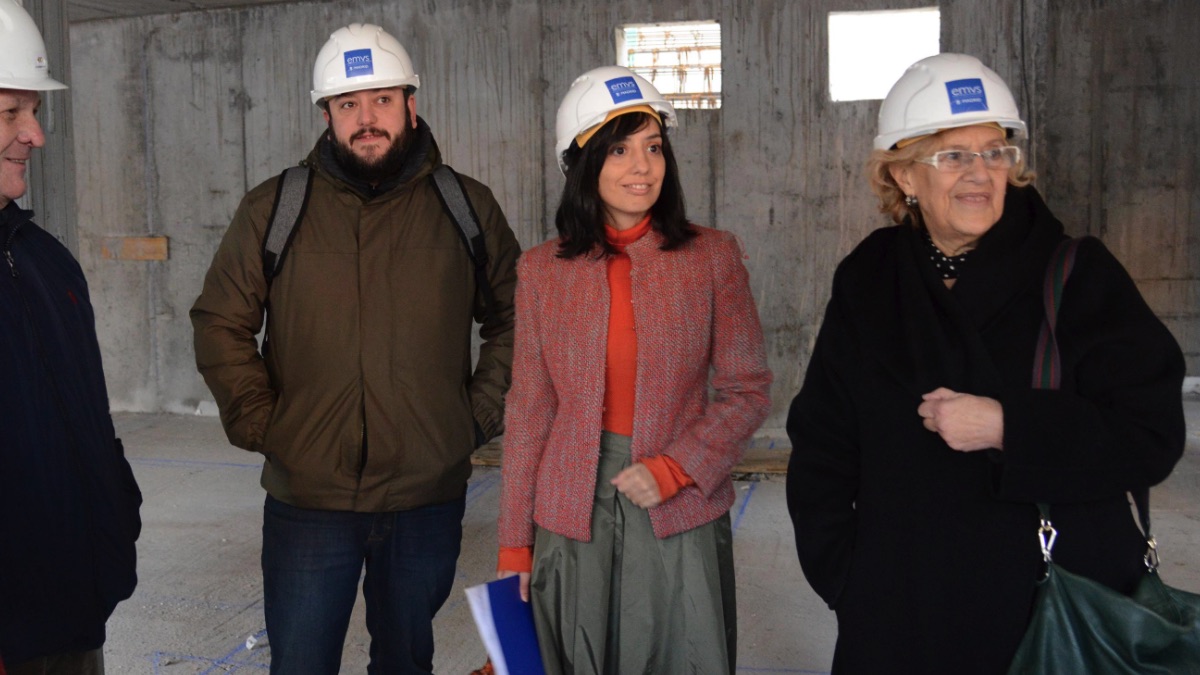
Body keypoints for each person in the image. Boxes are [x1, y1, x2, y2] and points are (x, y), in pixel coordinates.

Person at [785, 52, 1186, 674]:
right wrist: (845, 575)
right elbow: (822, 440)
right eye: (953, 155)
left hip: (1046, 614)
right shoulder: (868, 276)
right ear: (903, 176)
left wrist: (1009, 426)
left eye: (995, 152)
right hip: (900, 614)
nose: (981, 173)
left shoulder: (1077, 274)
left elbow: (1151, 434)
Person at [190, 22, 520, 674]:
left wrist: (473, 416)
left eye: (381, 100)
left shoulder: (466, 206)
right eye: (348, 104)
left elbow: (519, 318)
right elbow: (219, 321)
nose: (365, 118)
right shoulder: (276, 207)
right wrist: (270, 426)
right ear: (327, 114)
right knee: (301, 661)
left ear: (410, 103)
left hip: (424, 498)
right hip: (308, 503)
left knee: (405, 660)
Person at [495, 65, 772, 674]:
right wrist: (515, 544)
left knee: (677, 654)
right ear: (582, 163)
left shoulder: (711, 257)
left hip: (677, 503)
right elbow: (531, 409)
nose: (642, 167)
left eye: (653, 147)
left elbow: (746, 389)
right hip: (569, 506)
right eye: (619, 149)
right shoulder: (542, 271)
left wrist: (676, 468)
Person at [0, 0, 143, 672]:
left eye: (33, 112)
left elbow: (90, 422)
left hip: (73, 619)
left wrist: (116, 514)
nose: (36, 135)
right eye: (9, 114)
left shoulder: (47, 260)